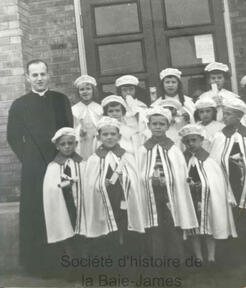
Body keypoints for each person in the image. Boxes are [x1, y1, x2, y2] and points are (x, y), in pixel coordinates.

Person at [7, 59, 73, 273]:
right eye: (34, 75)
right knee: (37, 211)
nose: (39, 79)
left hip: (59, 162)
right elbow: (13, 137)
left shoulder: (60, 100)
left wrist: (62, 157)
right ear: (28, 78)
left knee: (63, 209)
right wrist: (29, 158)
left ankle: (65, 263)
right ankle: (38, 266)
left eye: (42, 74)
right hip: (34, 168)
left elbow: (68, 132)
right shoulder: (19, 104)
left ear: (48, 75)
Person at [209, 98, 246, 264]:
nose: (224, 117)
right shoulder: (219, 137)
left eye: (228, 114)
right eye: (224, 113)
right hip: (228, 184)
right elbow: (214, 162)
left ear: (238, 116)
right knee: (229, 217)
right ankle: (231, 257)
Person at [138, 107, 198, 264]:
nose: (158, 127)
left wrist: (169, 180)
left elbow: (180, 173)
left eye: (161, 124)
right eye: (154, 124)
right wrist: (149, 179)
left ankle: (176, 261)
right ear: (149, 125)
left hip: (171, 194)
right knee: (154, 226)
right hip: (151, 193)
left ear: (168, 126)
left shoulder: (173, 149)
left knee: (172, 226)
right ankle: (157, 261)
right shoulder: (143, 149)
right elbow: (139, 172)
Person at [83, 116, 144, 268]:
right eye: (105, 134)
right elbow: (89, 184)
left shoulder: (126, 156)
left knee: (125, 229)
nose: (109, 137)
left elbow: (135, 179)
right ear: (99, 137)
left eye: (112, 134)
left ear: (119, 136)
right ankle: (109, 265)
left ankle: (128, 265)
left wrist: (125, 180)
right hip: (105, 200)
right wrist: (99, 184)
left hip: (123, 200)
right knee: (108, 233)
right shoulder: (94, 159)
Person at [179, 124, 237, 265]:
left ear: (201, 140)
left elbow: (217, 182)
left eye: (194, 140)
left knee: (209, 228)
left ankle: (211, 256)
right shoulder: (182, 160)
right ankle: (198, 256)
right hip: (191, 200)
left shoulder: (210, 160)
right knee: (194, 230)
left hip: (207, 200)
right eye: (187, 141)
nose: (191, 144)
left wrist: (205, 185)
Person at [43, 127, 86, 275]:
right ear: (57, 146)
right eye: (63, 144)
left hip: (81, 205)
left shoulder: (82, 163)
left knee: (82, 236)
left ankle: (85, 268)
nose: (67, 147)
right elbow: (50, 190)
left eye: (70, 143)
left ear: (76, 144)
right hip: (65, 205)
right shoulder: (54, 166)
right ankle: (72, 270)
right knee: (68, 236)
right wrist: (64, 184)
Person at [101, 95, 145, 162]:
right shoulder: (102, 131)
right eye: (111, 111)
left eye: (117, 110)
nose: (114, 113)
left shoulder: (130, 132)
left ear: (123, 112)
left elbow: (136, 151)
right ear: (106, 114)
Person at [72, 75, 102, 160]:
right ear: (78, 92)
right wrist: (79, 132)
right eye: (82, 89)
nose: (85, 92)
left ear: (93, 91)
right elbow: (73, 128)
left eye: (88, 89)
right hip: (82, 141)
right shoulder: (74, 109)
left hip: (96, 141)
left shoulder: (99, 108)